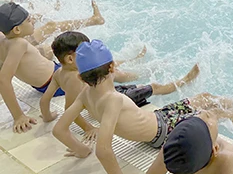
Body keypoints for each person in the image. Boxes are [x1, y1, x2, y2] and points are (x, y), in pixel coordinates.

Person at [53, 40, 233, 174]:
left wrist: (81, 150)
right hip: (165, 132)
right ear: (112, 67)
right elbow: (103, 149)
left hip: (159, 118)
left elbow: (59, 129)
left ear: (80, 77)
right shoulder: (113, 100)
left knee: (203, 98)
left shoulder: (85, 94)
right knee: (212, 114)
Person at [40, 31, 200, 136]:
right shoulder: (76, 79)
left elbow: (45, 99)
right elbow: (69, 109)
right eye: (84, 52)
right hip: (111, 100)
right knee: (151, 86)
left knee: (115, 71)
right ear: (70, 58)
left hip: (105, 92)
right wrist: (88, 128)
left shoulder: (60, 72)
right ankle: (183, 80)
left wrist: (47, 116)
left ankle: (137, 62)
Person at [0, 2, 104, 132]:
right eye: (29, 20)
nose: (33, 21)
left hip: (49, 77)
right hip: (54, 79)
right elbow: (3, 80)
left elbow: (44, 101)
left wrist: (47, 115)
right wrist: (18, 116)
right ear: (17, 30)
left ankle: (95, 20)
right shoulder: (19, 44)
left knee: (51, 37)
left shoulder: (4, 38)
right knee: (103, 69)